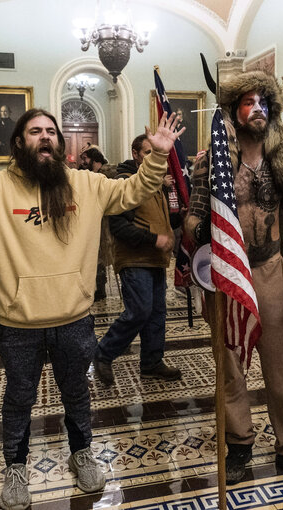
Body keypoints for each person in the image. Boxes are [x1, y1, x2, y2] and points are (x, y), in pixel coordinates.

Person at [0, 108, 184, 510]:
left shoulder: (88, 184)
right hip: (18, 322)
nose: (45, 137)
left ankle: (82, 452)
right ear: (19, 142)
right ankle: (16, 466)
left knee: (77, 392)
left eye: (51, 132)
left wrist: (159, 154)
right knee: (19, 396)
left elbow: (134, 190)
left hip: (74, 318)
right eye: (35, 131)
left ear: (60, 144)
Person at [184, 71, 283, 491]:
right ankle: (240, 443)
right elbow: (192, 217)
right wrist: (201, 229)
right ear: (233, 111)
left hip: (270, 270)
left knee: (282, 369)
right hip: (228, 274)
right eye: (248, 102)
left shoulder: (282, 160)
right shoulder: (210, 163)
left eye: (264, 102)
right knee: (230, 368)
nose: (258, 109)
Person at [94, 134, 183, 385]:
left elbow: (161, 220)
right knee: (140, 311)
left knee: (157, 313)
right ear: (135, 154)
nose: (153, 159)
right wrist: (154, 239)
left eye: (155, 155)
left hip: (155, 259)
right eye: (147, 153)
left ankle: (152, 363)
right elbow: (119, 226)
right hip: (135, 258)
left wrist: (180, 217)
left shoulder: (155, 184)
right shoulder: (127, 182)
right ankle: (103, 352)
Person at [78, 144, 114, 300]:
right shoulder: (85, 175)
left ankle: (100, 287)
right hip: (89, 222)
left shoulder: (109, 174)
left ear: (94, 158)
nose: (84, 161)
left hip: (105, 224)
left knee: (100, 255)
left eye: (85, 158)